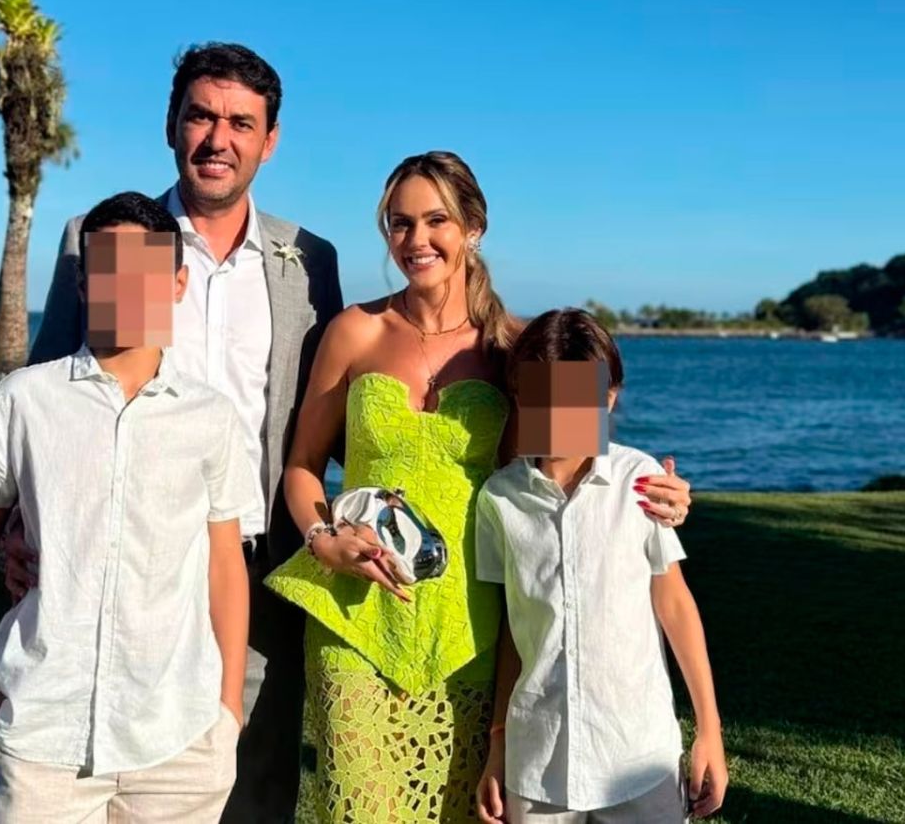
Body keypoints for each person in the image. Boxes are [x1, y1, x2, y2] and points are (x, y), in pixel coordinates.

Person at [265, 152, 696, 822]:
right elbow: (302, 465)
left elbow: (568, 471)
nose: (416, 239)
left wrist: (662, 494)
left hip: (473, 624)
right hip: (354, 614)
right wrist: (323, 538)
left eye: (435, 220)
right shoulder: (353, 331)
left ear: (474, 227)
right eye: (399, 223)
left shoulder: (513, 346)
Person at [14, 42, 342, 823]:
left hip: (256, 562)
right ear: (171, 125)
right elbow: (48, 392)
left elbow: (329, 415)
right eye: (201, 116)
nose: (218, 139)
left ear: (270, 140)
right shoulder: (94, 237)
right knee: (101, 768)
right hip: (113, 565)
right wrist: (17, 527)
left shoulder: (309, 260)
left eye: (241, 123)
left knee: (253, 780)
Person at [0, 192, 260, 822]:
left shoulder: (211, 416)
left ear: (177, 284)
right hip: (45, 734)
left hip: (181, 739)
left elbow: (225, 563)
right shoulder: (27, 399)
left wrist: (227, 711)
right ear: (85, 284)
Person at [473, 308, 727, 823]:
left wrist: (710, 730)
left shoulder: (642, 481)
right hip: (538, 761)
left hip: (639, 755)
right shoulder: (499, 499)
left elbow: (674, 604)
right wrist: (498, 743)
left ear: (608, 398)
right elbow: (513, 631)